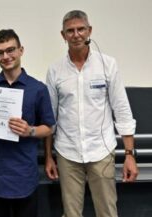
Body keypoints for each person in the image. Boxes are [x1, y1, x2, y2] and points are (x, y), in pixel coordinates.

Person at [45, 10, 139, 217]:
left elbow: (122, 110)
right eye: (70, 31)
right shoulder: (55, 70)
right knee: (71, 214)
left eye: (81, 29)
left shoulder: (108, 64)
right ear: (63, 35)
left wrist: (130, 155)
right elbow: (50, 118)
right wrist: (48, 157)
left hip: (101, 152)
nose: (76, 34)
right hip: (67, 152)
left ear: (89, 31)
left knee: (107, 212)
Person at [0, 29, 55, 217]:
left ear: (21, 50)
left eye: (10, 50)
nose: (6, 56)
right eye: (0, 52)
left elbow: (49, 127)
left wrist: (30, 131)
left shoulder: (38, 89)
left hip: (23, 175)